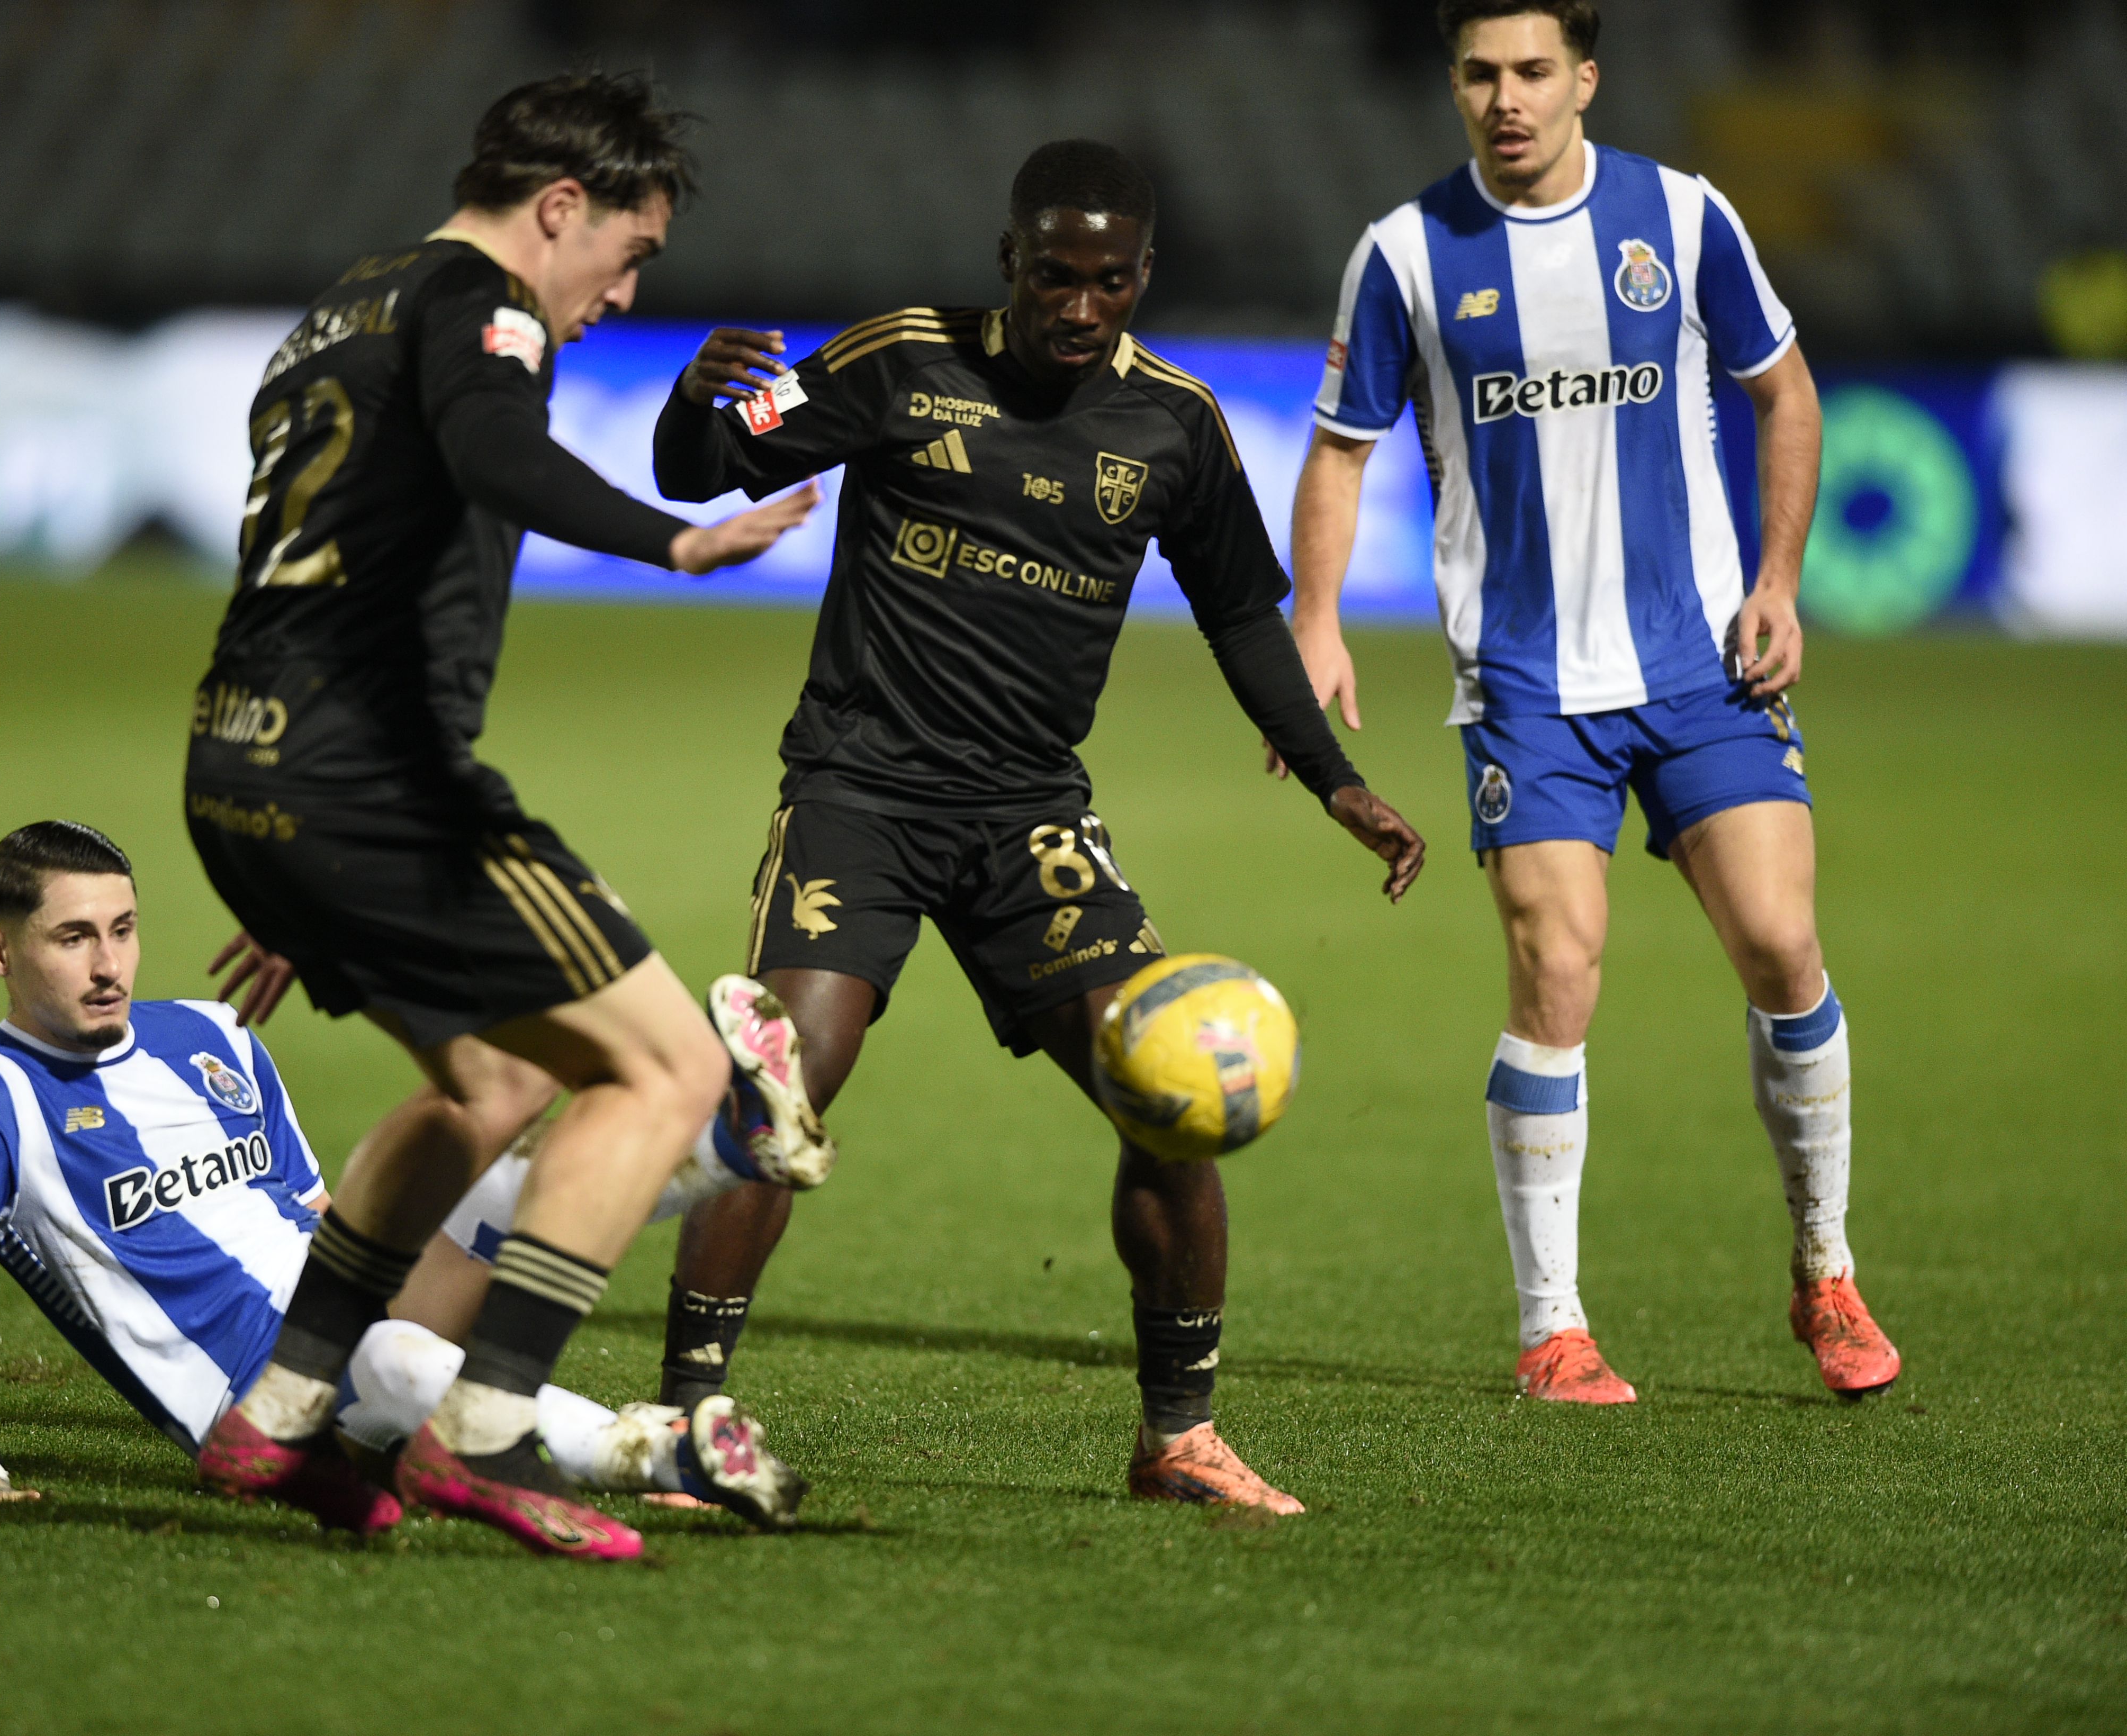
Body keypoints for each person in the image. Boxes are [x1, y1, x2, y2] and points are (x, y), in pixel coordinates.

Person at [644, 140, 1428, 1514]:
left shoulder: (1173, 423)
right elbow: (701, 469)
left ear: (1143, 274)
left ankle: (1178, 1437)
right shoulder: (901, 358)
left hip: (1029, 818)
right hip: (860, 797)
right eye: (1055, 275)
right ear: (1010, 260)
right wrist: (688, 400)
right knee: (778, 1093)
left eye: (1109, 281)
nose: (1080, 304)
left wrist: (1333, 778)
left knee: (1168, 1093)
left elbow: (1242, 612)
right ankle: (685, 1422)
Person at [179, 71, 827, 1559]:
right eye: (630, 252)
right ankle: (483, 1427)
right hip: (376, 782)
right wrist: (676, 539)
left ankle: (279, 1413)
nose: (624, 293)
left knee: (490, 1082)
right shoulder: (487, 306)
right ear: (561, 206)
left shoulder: (339, 308)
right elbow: (493, 453)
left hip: (246, 764)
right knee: (670, 1068)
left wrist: (301, 849)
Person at [1287, 0, 1899, 1403]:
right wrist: (1315, 620)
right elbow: (1338, 451)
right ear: (1454, 85)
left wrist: (1779, 580)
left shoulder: (1681, 218)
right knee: (1556, 971)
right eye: (1479, 73)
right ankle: (1551, 1328)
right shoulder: (1404, 253)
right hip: (1527, 685)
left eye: (1532, 71)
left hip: (1701, 664)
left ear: (1586, 80)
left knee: (1782, 946)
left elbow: (1786, 393)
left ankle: (1825, 1269)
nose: (1505, 98)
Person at [0, 823, 810, 1532]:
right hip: (260, 1399)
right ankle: (670, 1454)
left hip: (345, 1297)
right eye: (73, 938)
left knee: (489, 1159)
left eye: (123, 929)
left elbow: (318, 1209)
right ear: (0, 951)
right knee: (396, 1360)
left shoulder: (211, 1033)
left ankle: (732, 1144)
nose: (109, 964)